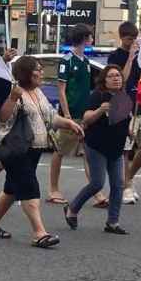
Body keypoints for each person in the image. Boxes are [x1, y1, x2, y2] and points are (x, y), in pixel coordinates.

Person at [0, 55, 79, 248]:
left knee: (12, 188)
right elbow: (2, 118)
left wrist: (68, 123)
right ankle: (39, 233)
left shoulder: (38, 93)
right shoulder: (14, 92)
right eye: (38, 69)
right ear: (26, 73)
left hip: (34, 149)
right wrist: (12, 98)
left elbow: (49, 116)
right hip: (16, 150)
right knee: (29, 187)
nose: (42, 72)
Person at [64, 63, 133, 234]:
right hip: (97, 145)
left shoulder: (123, 96)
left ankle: (112, 222)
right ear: (104, 80)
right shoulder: (98, 95)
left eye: (118, 75)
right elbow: (87, 118)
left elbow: (122, 119)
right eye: (111, 76)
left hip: (116, 147)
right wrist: (100, 110)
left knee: (118, 185)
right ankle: (72, 209)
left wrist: (130, 131)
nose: (116, 78)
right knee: (97, 183)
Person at [50, 24, 94, 208]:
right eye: (90, 36)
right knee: (60, 151)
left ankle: (96, 190)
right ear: (84, 38)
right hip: (71, 115)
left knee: (88, 153)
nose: (92, 39)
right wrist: (66, 114)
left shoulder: (86, 62)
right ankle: (53, 189)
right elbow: (61, 90)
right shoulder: (67, 60)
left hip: (85, 115)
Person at [105, 22, 141, 205]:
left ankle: (129, 178)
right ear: (122, 37)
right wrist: (129, 58)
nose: (132, 42)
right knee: (125, 148)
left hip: (139, 104)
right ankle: (126, 185)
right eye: (129, 39)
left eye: (135, 38)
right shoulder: (115, 56)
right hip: (123, 103)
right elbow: (123, 79)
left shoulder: (139, 56)